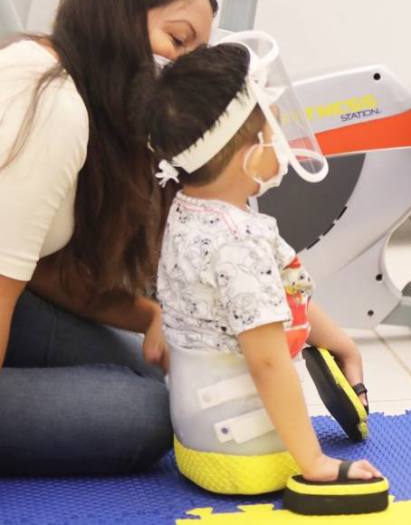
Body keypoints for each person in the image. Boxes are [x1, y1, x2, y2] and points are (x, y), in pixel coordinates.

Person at [0, 0, 216, 475]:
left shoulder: (68, 85)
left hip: (19, 304)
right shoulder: (49, 102)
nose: (179, 68)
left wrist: (151, 316)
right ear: (118, 14)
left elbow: (39, 271)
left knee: (153, 378)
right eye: (177, 40)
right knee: (145, 414)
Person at [145, 41, 380, 493]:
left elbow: (285, 292)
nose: (283, 142)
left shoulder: (188, 211)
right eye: (274, 130)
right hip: (247, 452)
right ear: (249, 155)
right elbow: (268, 363)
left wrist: (342, 345)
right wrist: (314, 463)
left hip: (196, 440)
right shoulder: (239, 242)